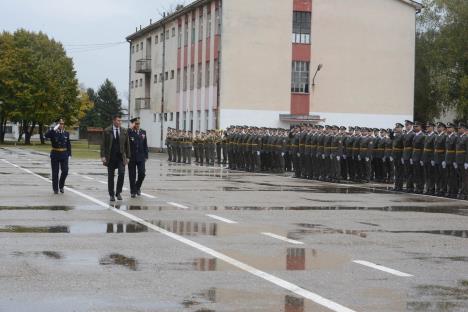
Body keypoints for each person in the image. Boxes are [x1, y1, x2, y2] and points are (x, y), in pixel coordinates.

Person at [100, 114, 131, 202]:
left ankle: (118, 192)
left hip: (121, 157)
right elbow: (103, 145)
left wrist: (128, 157)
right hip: (110, 157)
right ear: (113, 121)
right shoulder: (107, 131)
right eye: (118, 120)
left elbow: (127, 145)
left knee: (121, 173)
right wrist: (103, 156)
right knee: (111, 176)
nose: (119, 122)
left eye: (120, 121)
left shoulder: (124, 131)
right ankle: (111, 195)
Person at [44, 118, 71, 194]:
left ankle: (61, 185)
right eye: (60, 124)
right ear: (57, 125)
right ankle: (55, 189)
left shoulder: (66, 133)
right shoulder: (53, 132)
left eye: (63, 124)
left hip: (64, 154)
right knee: (55, 173)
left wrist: (69, 154)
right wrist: (53, 129)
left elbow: (68, 144)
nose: (62, 125)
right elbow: (46, 135)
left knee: (65, 171)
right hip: (55, 154)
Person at [128, 117, 148, 198]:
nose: (138, 125)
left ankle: (137, 187)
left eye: (138, 123)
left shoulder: (143, 132)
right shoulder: (129, 132)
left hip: (141, 157)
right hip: (131, 157)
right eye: (136, 124)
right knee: (132, 175)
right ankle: (133, 191)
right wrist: (130, 128)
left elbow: (145, 145)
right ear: (133, 124)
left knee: (142, 173)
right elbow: (125, 135)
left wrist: (146, 155)